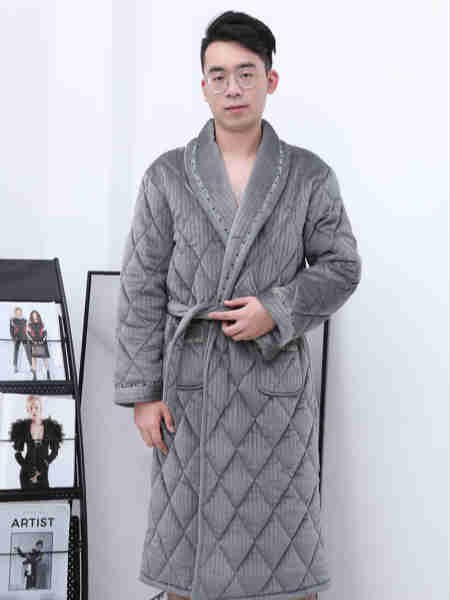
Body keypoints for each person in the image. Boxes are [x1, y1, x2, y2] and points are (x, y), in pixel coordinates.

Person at [114, 11, 362, 600]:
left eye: (246, 74)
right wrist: (143, 393)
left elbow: (342, 267)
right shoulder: (167, 177)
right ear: (202, 85)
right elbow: (141, 286)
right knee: (186, 560)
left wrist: (276, 309)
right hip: (190, 392)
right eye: (219, 75)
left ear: (270, 81)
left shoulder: (308, 176)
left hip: (273, 395)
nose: (233, 88)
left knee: (283, 554)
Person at [9, 394, 64, 489]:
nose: (33, 411)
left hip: (43, 473)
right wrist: (28, 469)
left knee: (44, 496)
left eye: (36, 407)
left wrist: (44, 465)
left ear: (41, 408)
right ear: (27, 410)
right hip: (26, 474)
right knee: (27, 497)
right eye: (31, 408)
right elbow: (18, 454)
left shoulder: (51, 428)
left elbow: (54, 452)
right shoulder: (22, 428)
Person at [26, 310, 51, 380]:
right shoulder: (29, 324)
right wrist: (32, 340)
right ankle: (34, 376)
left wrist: (42, 340)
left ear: (37, 315)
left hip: (41, 342)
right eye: (33, 315)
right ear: (31, 316)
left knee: (45, 359)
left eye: (35, 314)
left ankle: (48, 374)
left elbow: (45, 332)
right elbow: (28, 333)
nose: (34, 316)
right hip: (34, 342)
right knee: (34, 359)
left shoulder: (42, 323)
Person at [9, 306, 32, 373]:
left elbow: (28, 329)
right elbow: (11, 330)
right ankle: (15, 367)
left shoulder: (25, 320)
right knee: (16, 352)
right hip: (17, 338)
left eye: (19, 312)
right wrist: (13, 338)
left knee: (28, 352)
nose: (18, 313)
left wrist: (29, 337)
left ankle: (31, 366)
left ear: (21, 312)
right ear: (15, 313)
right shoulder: (12, 320)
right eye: (17, 312)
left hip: (25, 338)